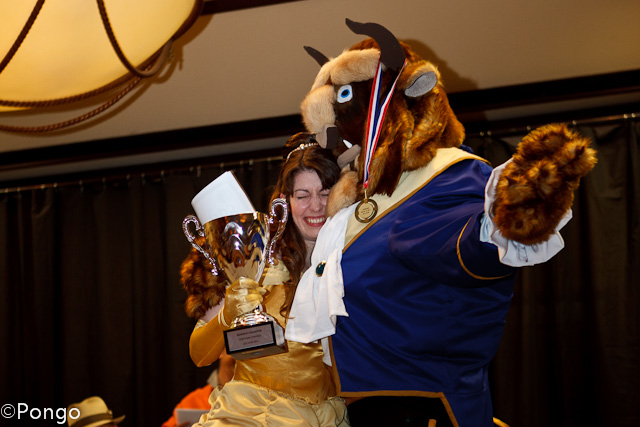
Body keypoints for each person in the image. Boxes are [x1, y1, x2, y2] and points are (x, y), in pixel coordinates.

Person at [187, 132, 348, 426]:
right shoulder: (252, 258)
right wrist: (227, 315)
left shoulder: (354, 260)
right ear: (285, 201)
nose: (316, 206)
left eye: (325, 192)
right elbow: (199, 355)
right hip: (246, 416)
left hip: (321, 417)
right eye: (303, 196)